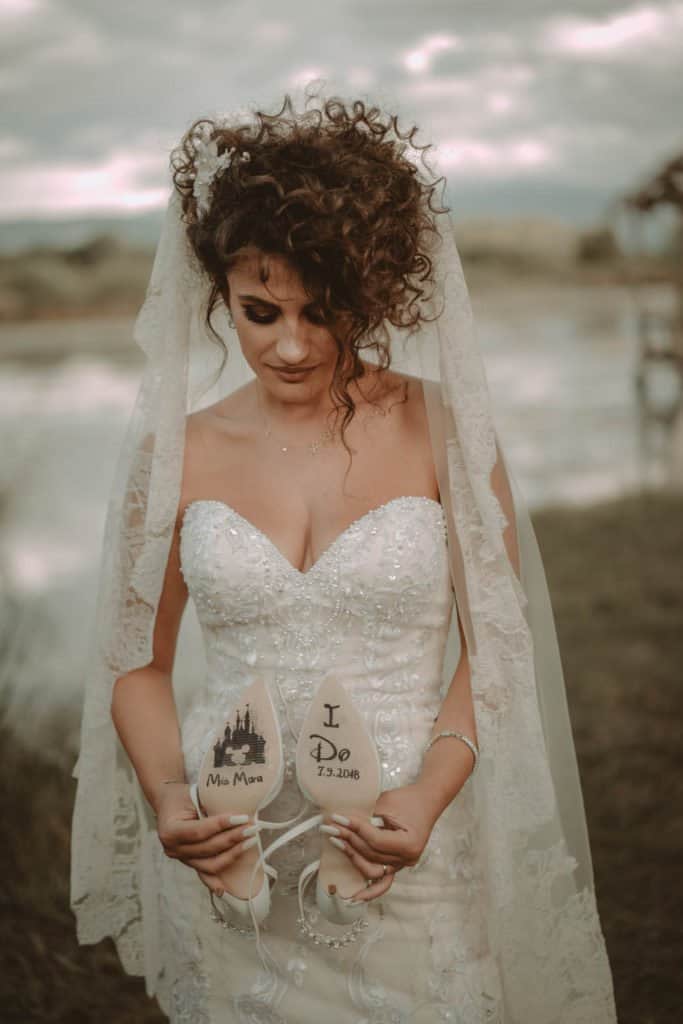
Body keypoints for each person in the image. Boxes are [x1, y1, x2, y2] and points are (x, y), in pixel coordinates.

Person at [70, 92, 618, 1023]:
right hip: (230, 851)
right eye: (257, 309)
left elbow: (497, 641)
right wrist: (170, 797)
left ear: (371, 293)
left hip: (405, 842)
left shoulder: (443, 429)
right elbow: (137, 660)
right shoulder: (176, 452)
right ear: (218, 292)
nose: (288, 344)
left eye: (321, 312)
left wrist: (429, 796)